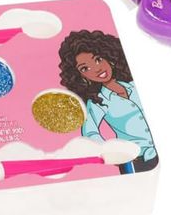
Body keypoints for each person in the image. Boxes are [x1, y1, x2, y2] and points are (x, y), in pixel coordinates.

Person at [58, 30, 158, 174]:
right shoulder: (97, 102)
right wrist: (111, 153)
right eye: (85, 68)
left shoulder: (133, 85)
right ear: (81, 76)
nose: (97, 69)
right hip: (134, 160)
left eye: (98, 59)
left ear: (108, 55)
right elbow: (90, 132)